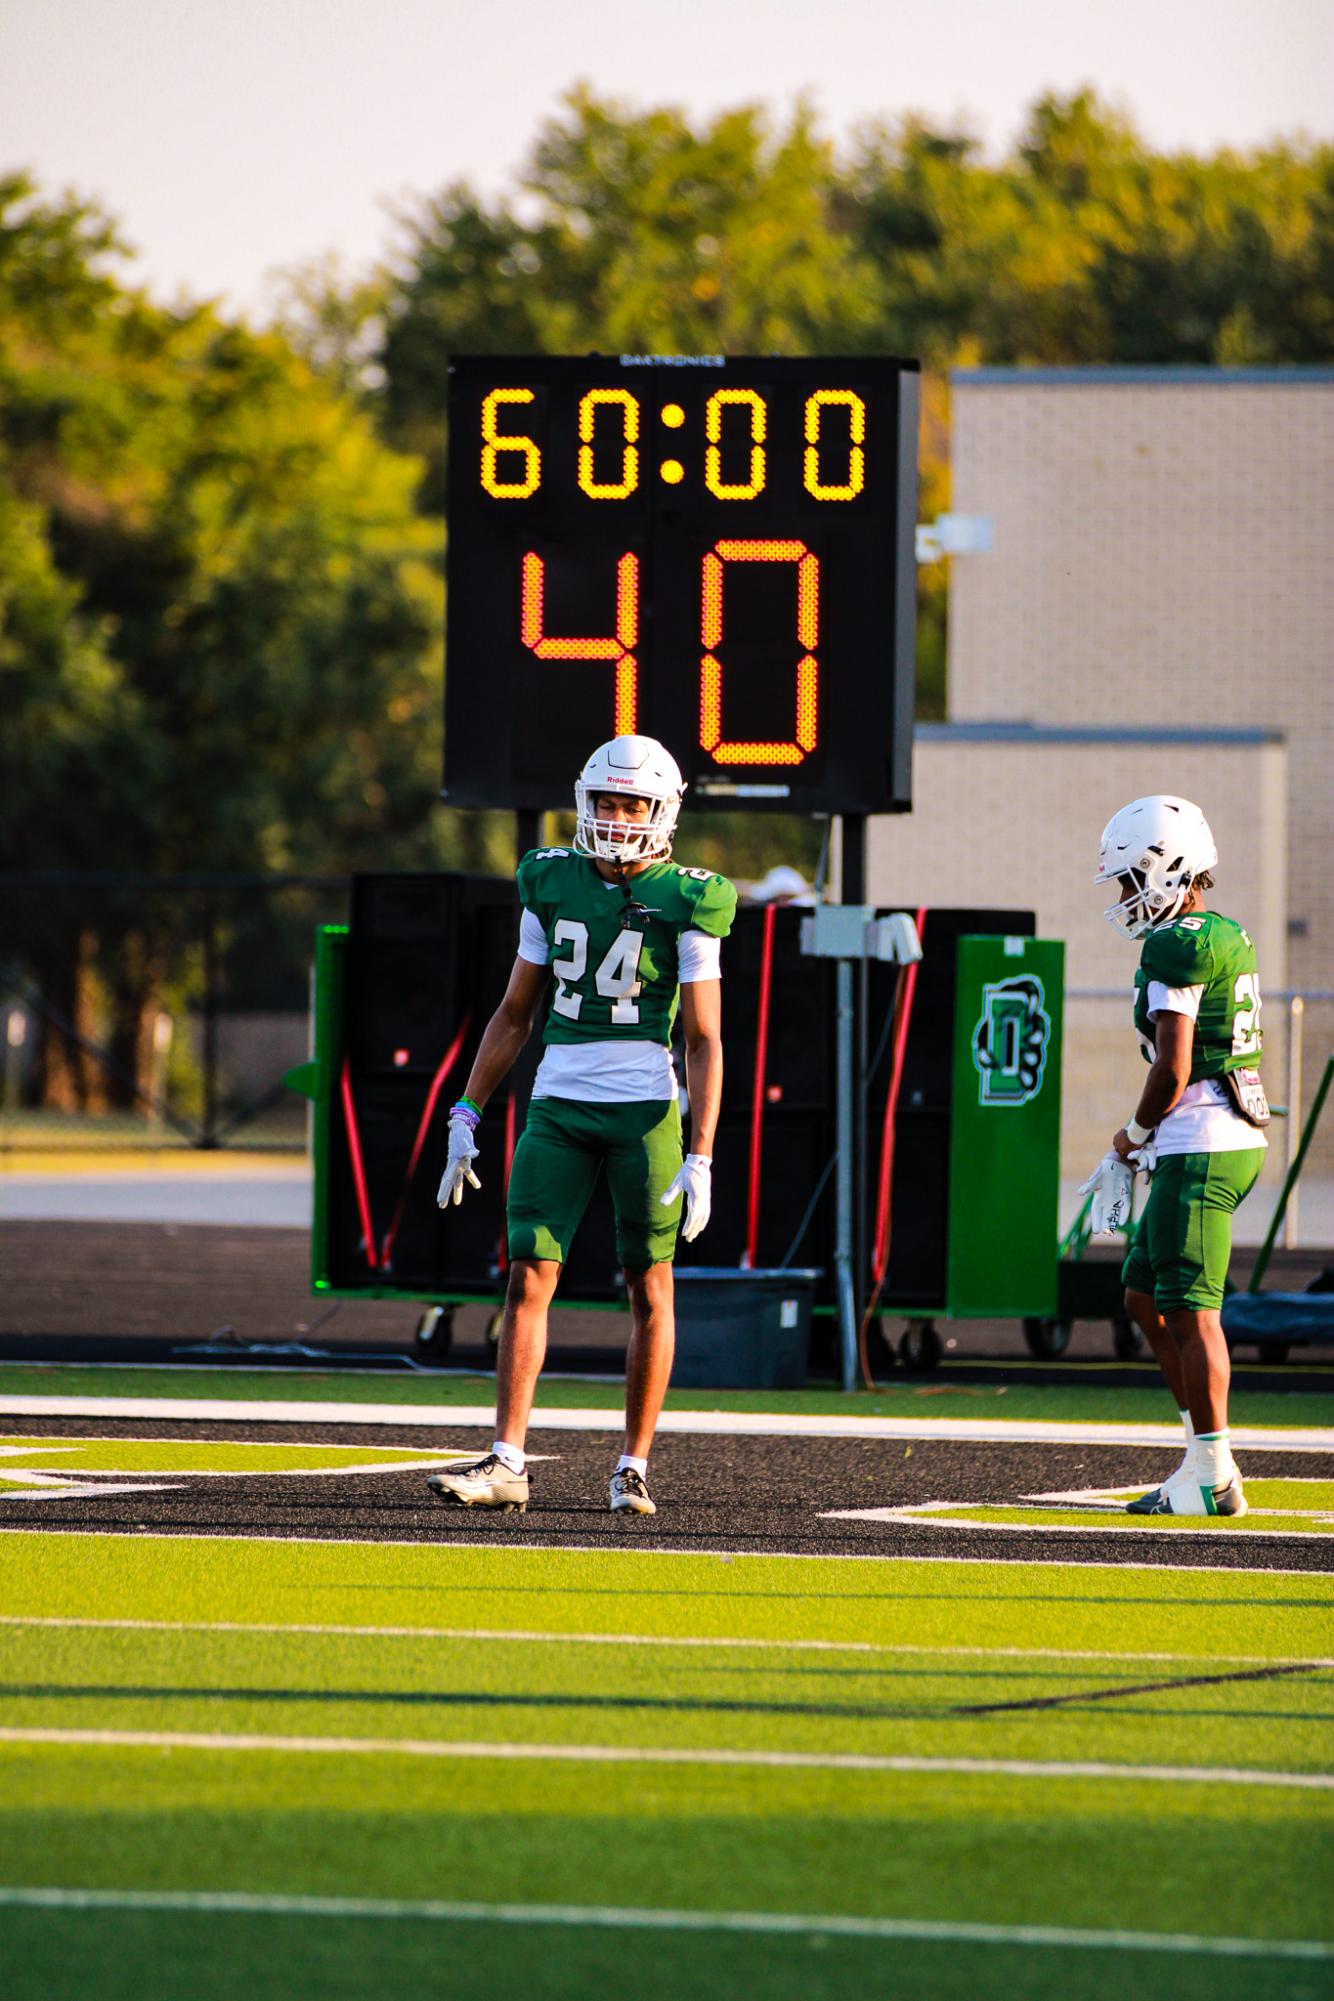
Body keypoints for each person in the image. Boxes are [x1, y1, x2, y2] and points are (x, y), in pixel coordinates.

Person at [428, 734, 736, 1518]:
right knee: (529, 1273)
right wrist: (467, 1108)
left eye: (633, 803)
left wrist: (700, 1152)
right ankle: (506, 1460)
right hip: (558, 1104)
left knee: (649, 1285)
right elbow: (513, 1012)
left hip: (644, 1111)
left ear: (662, 810)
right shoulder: (551, 880)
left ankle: (632, 1465)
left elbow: (704, 1037)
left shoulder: (690, 896)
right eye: (606, 801)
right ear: (583, 802)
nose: (618, 816)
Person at [1094, 795, 1269, 1518]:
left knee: (1195, 1313)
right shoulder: (1221, 931)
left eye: (1132, 879)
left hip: (1201, 1140)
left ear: (1167, 869)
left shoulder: (1178, 944)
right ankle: (1203, 1453)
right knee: (1143, 1293)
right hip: (1210, 1137)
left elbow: (1171, 1066)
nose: (1127, 896)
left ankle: (1212, 1472)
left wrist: (1131, 1138)